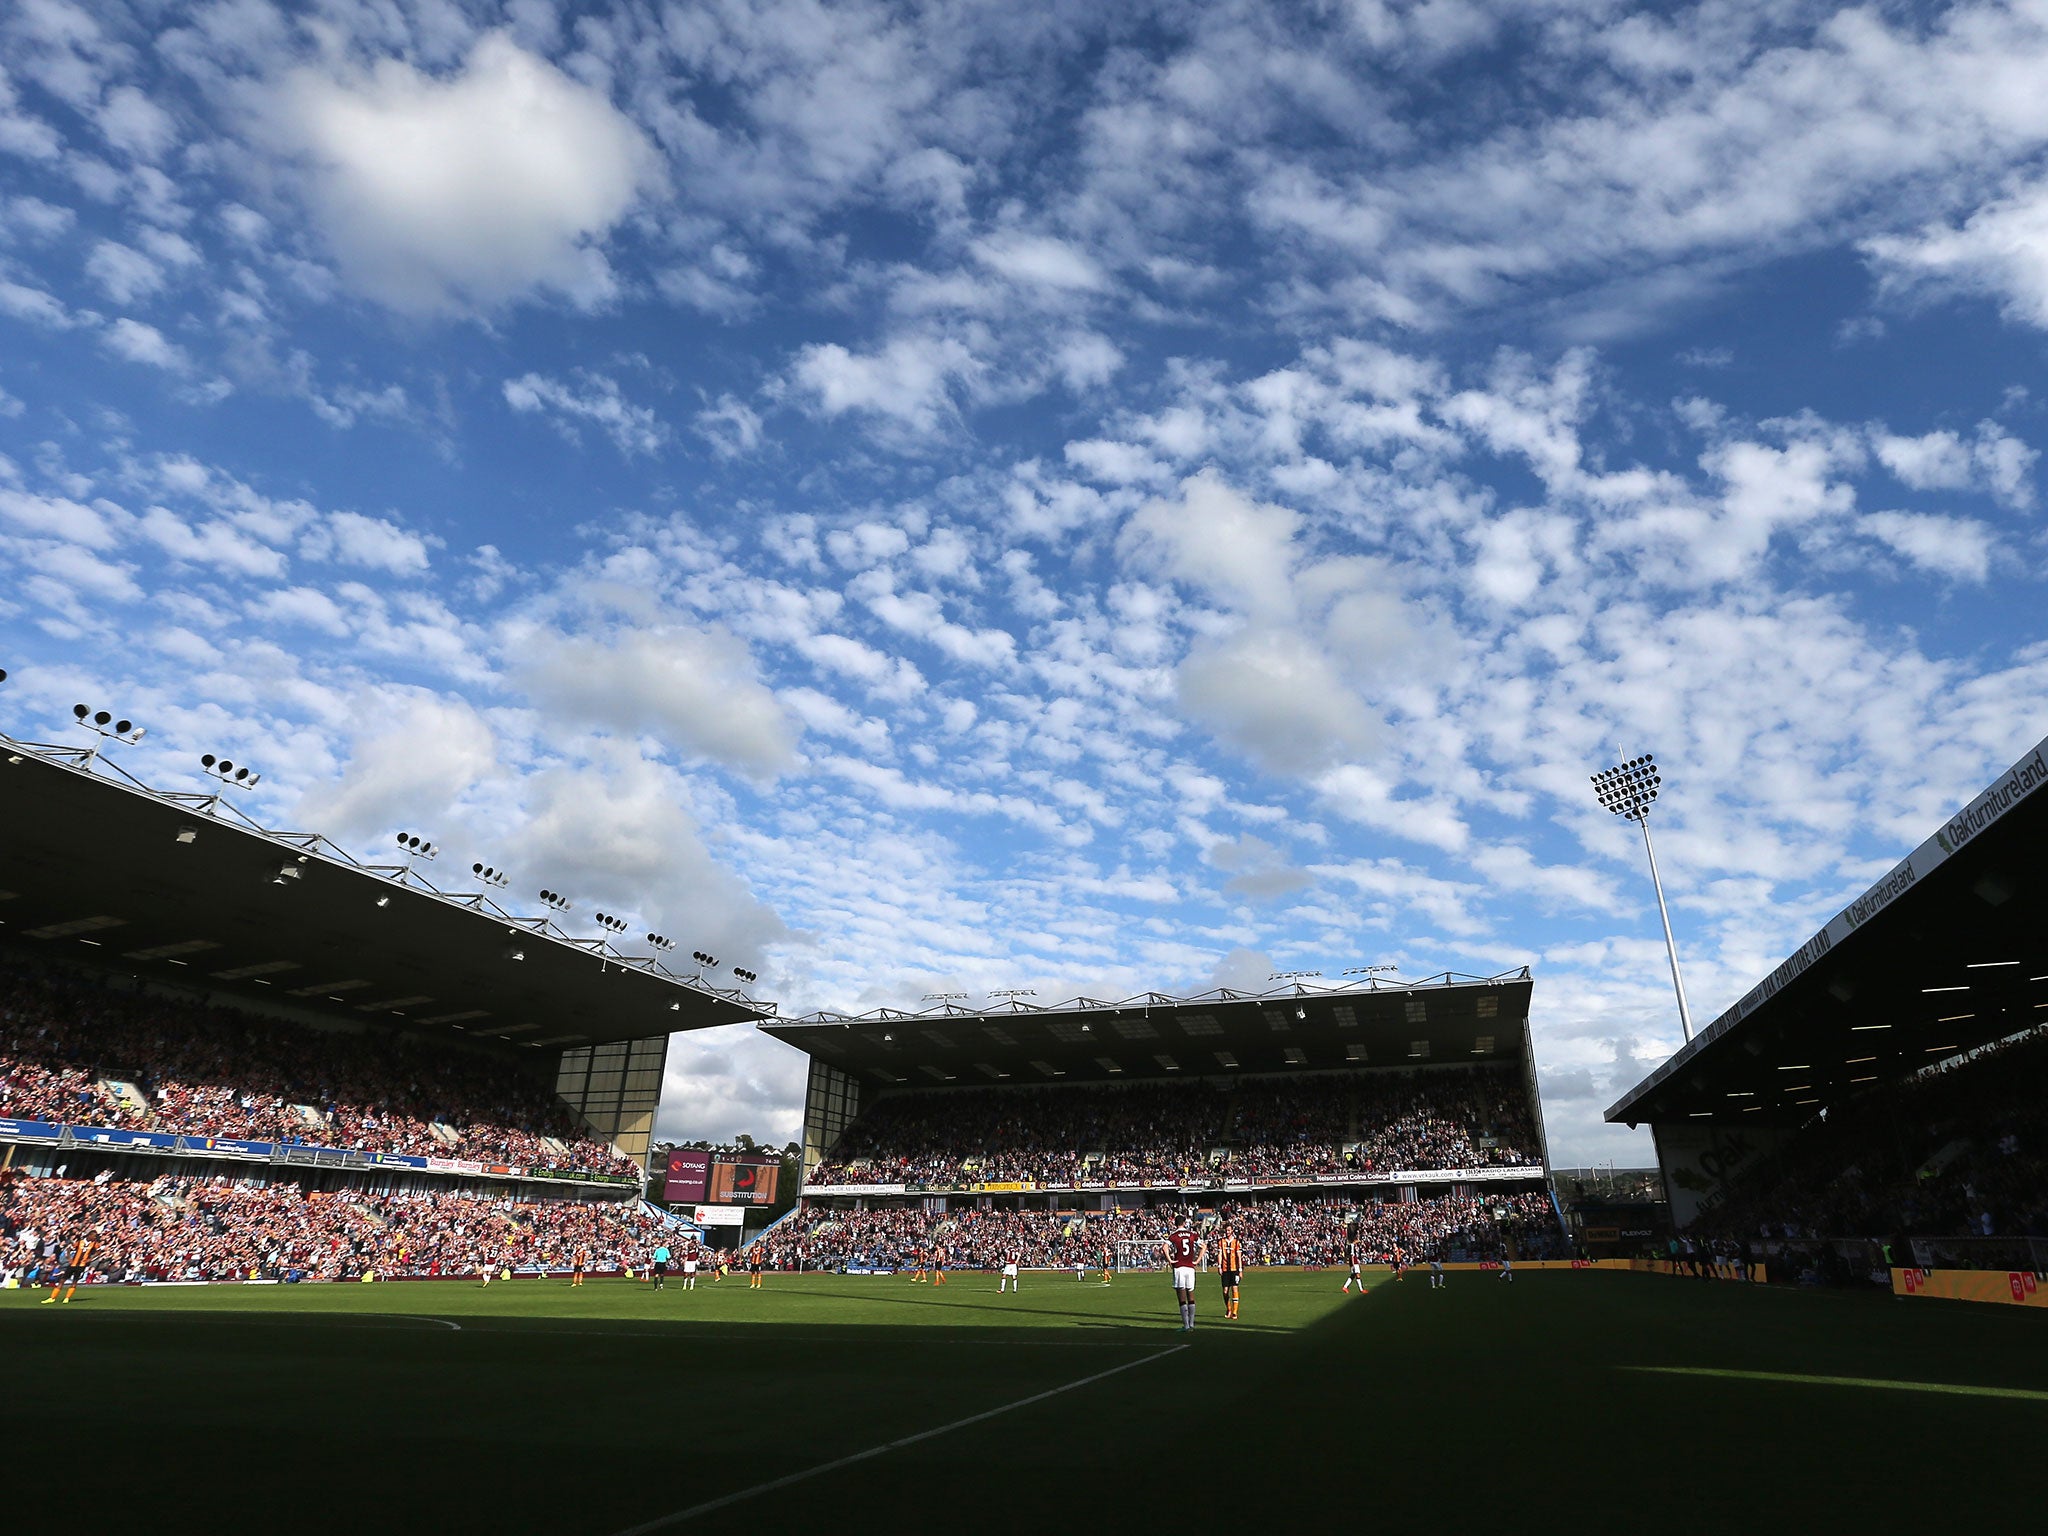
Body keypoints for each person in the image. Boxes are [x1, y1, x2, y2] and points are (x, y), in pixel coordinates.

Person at [1161, 1218, 1205, 1331]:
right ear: (1185, 1223)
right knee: (1191, 1295)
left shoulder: (1174, 1235)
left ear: (1175, 1224)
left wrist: (1170, 1260)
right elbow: (1203, 1246)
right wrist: (1197, 1260)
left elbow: (1164, 1247)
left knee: (1181, 1297)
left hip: (1179, 1267)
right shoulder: (1192, 1234)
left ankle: (1185, 1326)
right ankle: (1191, 1324)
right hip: (1190, 1267)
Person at [42, 1230, 96, 1304]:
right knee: (62, 1280)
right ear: (89, 1235)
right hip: (73, 1264)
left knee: (74, 1282)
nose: (95, 1237)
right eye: (94, 1236)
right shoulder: (80, 1242)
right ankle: (52, 1298)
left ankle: (67, 1298)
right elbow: (69, 1248)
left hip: (81, 1265)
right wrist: (69, 1258)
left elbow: (98, 1251)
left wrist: (90, 1259)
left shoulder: (94, 1244)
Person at [1214, 1226, 1243, 1321]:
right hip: (1225, 1269)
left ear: (1232, 1231)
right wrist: (1219, 1266)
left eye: (1229, 1230)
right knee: (1225, 1291)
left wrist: (1240, 1270)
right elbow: (1220, 1254)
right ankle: (1229, 1309)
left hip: (1234, 1269)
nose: (1227, 1232)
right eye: (1226, 1230)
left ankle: (1235, 1312)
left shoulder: (1237, 1242)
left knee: (1235, 1289)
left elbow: (1239, 1257)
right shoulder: (1221, 1242)